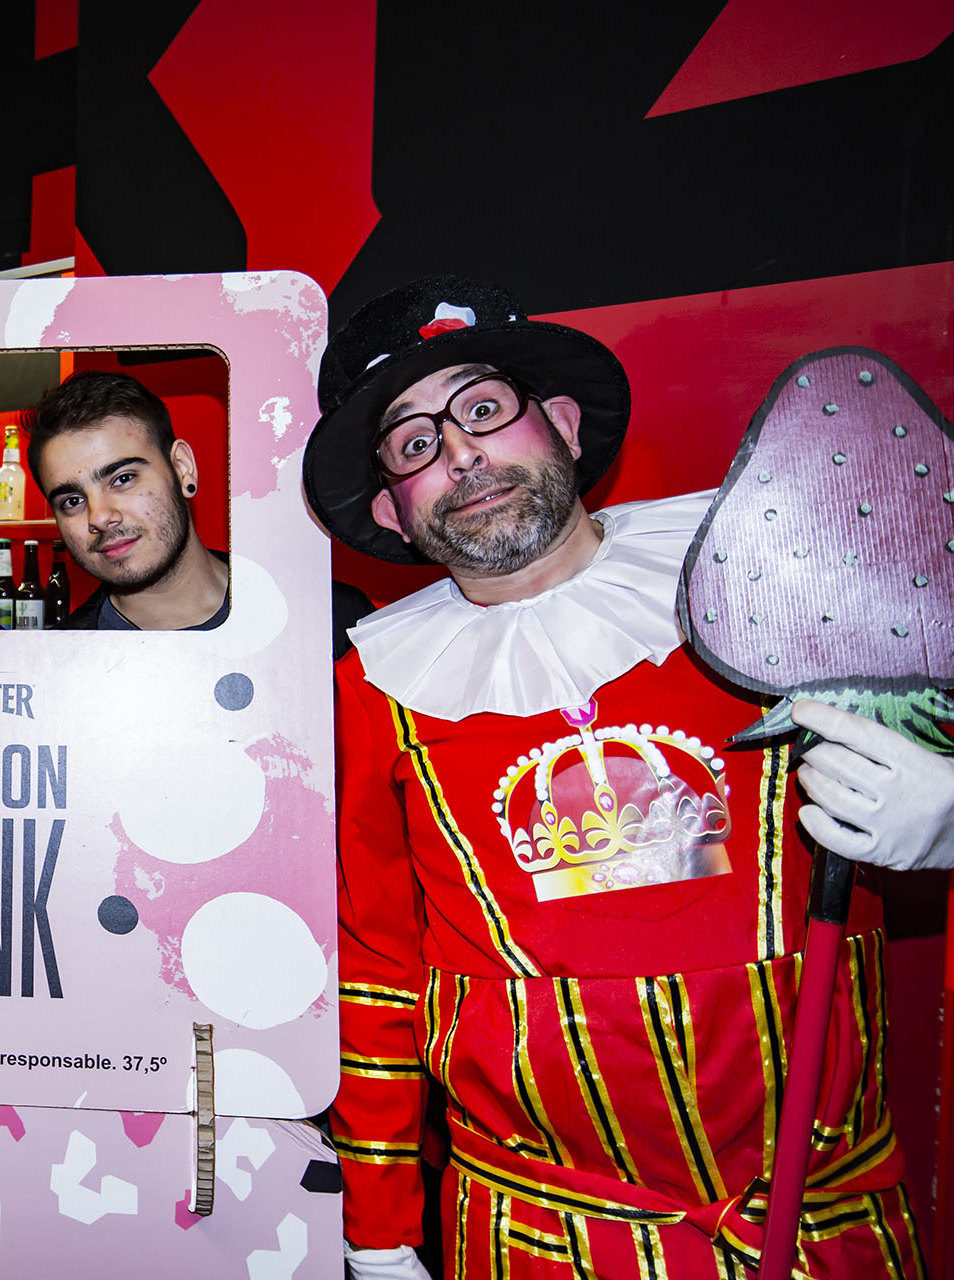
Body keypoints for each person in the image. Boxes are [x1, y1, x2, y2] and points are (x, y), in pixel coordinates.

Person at [306, 276, 951, 1279]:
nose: (462, 454)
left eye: (484, 409)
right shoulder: (370, 689)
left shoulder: (767, 568)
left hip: (819, 1222)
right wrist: (380, 1229)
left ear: (562, 424)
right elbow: (375, 971)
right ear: (394, 508)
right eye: (416, 444)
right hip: (534, 1237)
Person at [32, 369, 373, 647]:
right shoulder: (56, 668)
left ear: (182, 469)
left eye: (123, 479)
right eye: (72, 501)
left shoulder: (330, 620)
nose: (100, 516)